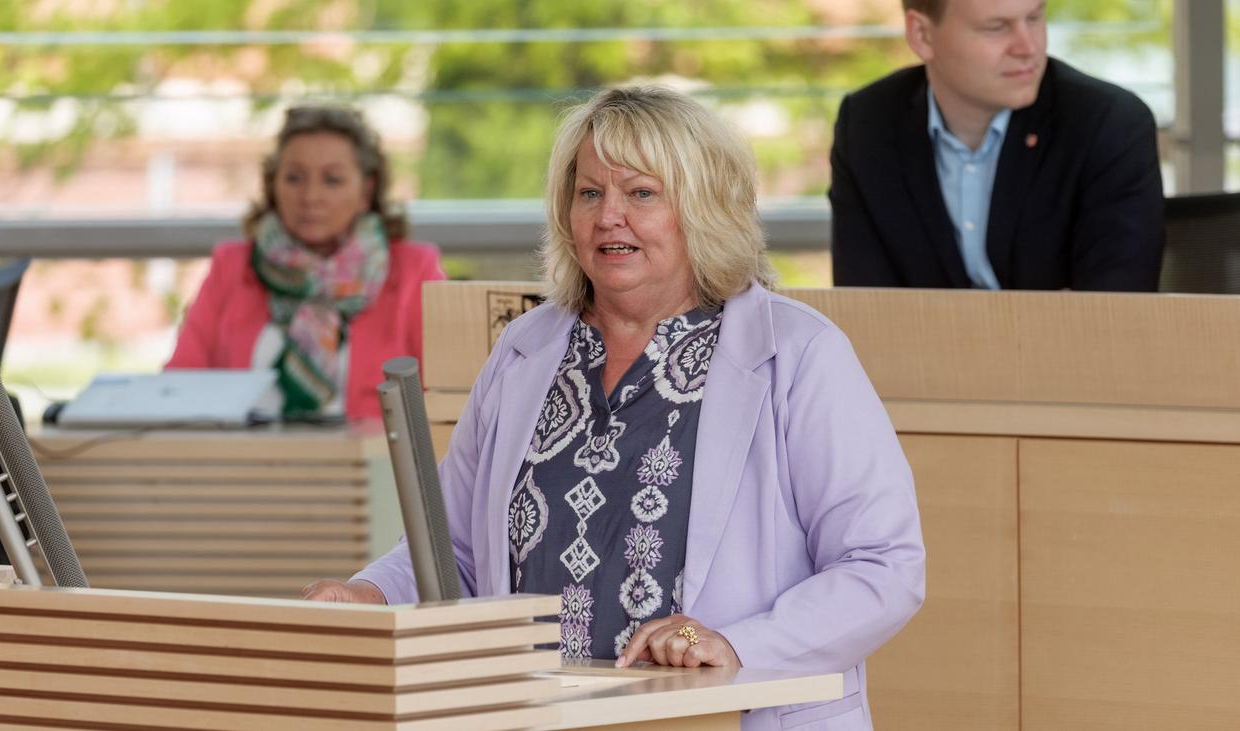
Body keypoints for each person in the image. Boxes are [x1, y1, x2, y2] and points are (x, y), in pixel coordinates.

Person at [304, 87, 925, 730]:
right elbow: (454, 551)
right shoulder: (524, 349)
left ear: (704, 208)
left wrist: (736, 646)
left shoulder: (800, 353)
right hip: (535, 718)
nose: (608, 217)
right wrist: (368, 593)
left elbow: (884, 565)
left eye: (641, 193)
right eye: (589, 193)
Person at [829, 0, 1164, 291]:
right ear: (922, 35)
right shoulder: (866, 126)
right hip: (914, 351)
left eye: (1034, 18)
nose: (1028, 47)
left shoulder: (1109, 124)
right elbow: (867, 309)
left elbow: (1111, 313)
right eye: (996, 28)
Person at [167, 105, 445, 421]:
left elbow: (449, 403)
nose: (311, 196)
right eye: (294, 178)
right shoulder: (231, 265)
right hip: (241, 452)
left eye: (332, 180)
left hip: (371, 453)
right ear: (273, 185)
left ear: (365, 192)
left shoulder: (415, 270)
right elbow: (179, 387)